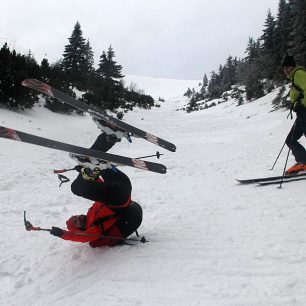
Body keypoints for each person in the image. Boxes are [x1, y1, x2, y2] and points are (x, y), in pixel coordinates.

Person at [49, 127, 143, 247]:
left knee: (95, 160)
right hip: (120, 198)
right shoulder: (92, 229)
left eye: (75, 217)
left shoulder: (91, 212)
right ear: (79, 229)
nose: (77, 218)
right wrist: (63, 234)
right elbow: (80, 238)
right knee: (76, 189)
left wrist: (88, 175)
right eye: (76, 222)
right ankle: (89, 170)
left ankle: (109, 138)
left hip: (122, 185)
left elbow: (98, 189)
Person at [282, 54, 306, 174]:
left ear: (293, 67)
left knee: (291, 140)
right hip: (302, 113)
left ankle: (304, 163)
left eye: (288, 67)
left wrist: (302, 105)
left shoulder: (298, 74)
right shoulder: (294, 77)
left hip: (304, 112)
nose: (286, 70)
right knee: (291, 139)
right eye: (284, 68)